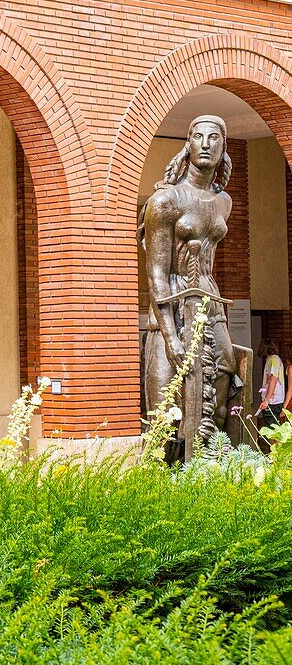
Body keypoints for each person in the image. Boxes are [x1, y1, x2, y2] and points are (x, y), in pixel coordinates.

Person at [138, 115, 244, 462]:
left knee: (226, 368)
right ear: (188, 144)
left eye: (214, 138)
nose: (205, 144)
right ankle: (165, 471)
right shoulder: (166, 200)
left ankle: (212, 460)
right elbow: (155, 273)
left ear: (223, 147)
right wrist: (170, 336)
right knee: (167, 404)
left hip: (209, 300)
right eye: (198, 137)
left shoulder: (223, 201)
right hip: (173, 301)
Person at [257, 338, 286, 453]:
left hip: (273, 400)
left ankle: (276, 456)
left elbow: (273, 379)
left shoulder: (274, 360)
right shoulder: (273, 359)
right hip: (273, 399)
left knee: (273, 431)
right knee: (273, 429)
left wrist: (266, 400)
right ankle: (275, 455)